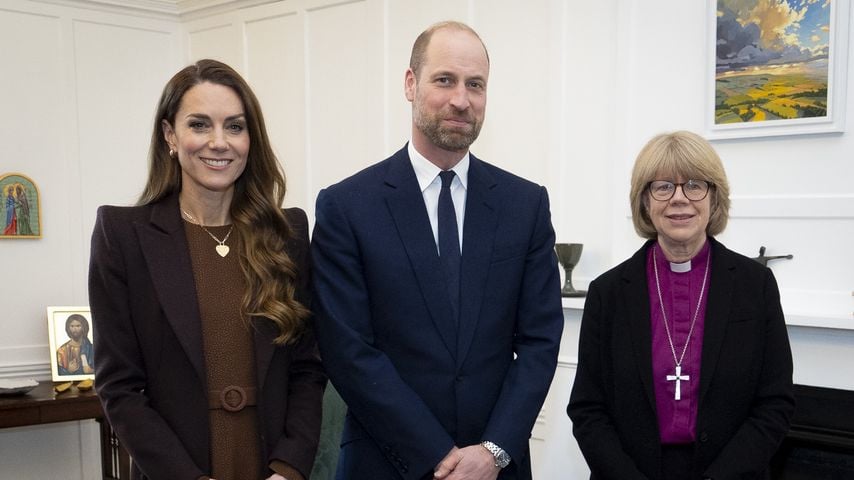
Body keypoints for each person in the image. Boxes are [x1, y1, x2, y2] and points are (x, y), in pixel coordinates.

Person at [312, 21, 564, 480]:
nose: (460, 100)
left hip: (497, 467)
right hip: (386, 463)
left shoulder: (525, 205)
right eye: (444, 80)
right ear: (411, 84)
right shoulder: (347, 207)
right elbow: (348, 349)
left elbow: (540, 340)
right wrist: (437, 456)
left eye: (475, 85)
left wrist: (493, 451)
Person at [89, 59, 326, 480]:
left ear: (251, 139)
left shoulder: (287, 232)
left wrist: (288, 469)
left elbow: (307, 368)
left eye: (235, 127)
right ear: (170, 136)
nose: (219, 142)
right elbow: (120, 388)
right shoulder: (123, 236)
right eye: (199, 125)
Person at [567, 131, 795, 480]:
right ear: (644, 201)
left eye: (694, 185)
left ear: (713, 197)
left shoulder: (755, 285)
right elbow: (587, 409)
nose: (679, 199)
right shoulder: (608, 292)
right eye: (662, 187)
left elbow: (774, 404)